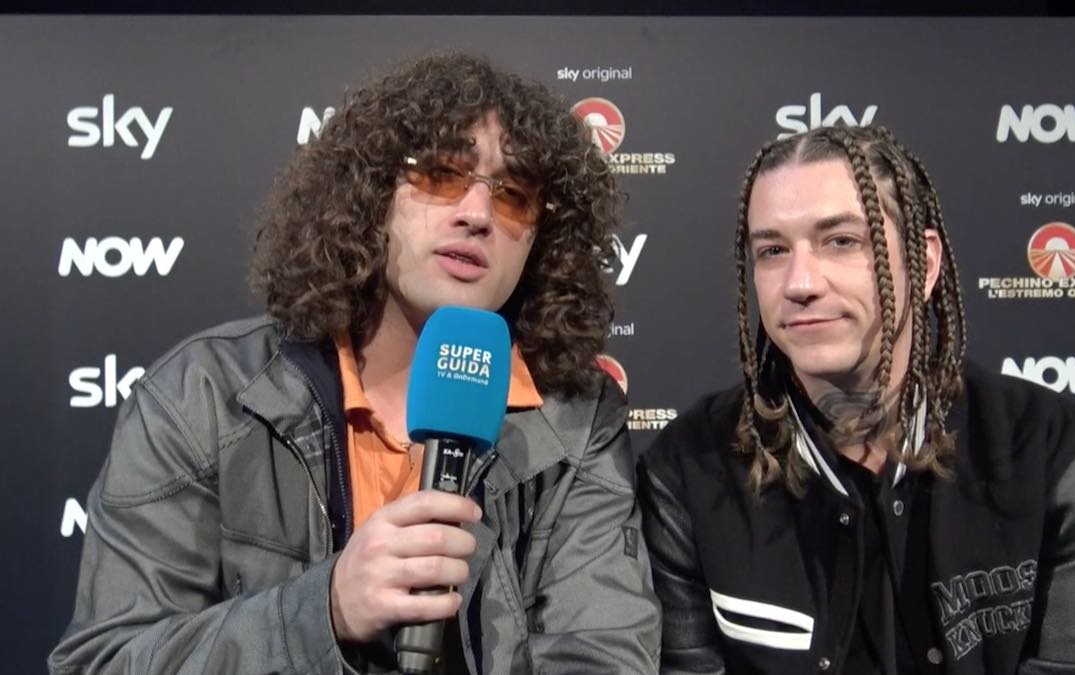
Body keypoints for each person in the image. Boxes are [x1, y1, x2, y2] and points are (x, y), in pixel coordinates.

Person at [50, 52, 660, 675]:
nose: (477, 215)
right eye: (441, 174)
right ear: (370, 192)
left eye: (514, 195)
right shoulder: (200, 396)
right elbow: (104, 662)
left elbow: (602, 656)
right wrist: (326, 609)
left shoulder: (579, 420)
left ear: (541, 239)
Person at [638, 124, 1075, 674]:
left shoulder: (1046, 447)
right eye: (773, 250)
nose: (800, 283)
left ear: (924, 263)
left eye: (841, 241)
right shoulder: (687, 470)